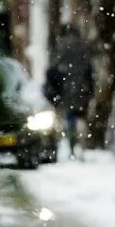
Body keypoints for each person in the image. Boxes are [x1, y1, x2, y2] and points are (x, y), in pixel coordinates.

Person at [45, 23, 94, 160]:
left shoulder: (61, 46)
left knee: (69, 118)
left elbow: (52, 68)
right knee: (80, 116)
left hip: (66, 88)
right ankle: (82, 145)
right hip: (82, 88)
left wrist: (54, 89)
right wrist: (89, 88)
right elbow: (89, 69)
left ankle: (72, 147)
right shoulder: (83, 46)